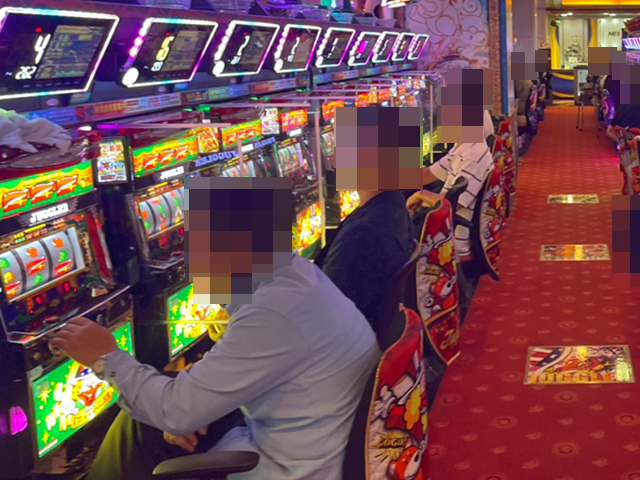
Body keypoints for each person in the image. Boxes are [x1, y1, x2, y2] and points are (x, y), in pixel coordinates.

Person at [52, 177, 380, 480]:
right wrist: (190, 409)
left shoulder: (273, 313)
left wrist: (104, 358)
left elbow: (174, 412)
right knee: (150, 417)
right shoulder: (295, 277)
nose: (190, 264)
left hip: (295, 469)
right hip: (314, 440)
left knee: (137, 426)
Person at [314, 188, 415, 341]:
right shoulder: (393, 202)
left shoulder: (362, 233)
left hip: (344, 338)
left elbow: (328, 312)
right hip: (362, 327)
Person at [412, 110, 495, 260]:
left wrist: (421, 196)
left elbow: (450, 206)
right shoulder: (464, 145)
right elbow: (428, 174)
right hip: (446, 224)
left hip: (450, 239)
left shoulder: (472, 156)